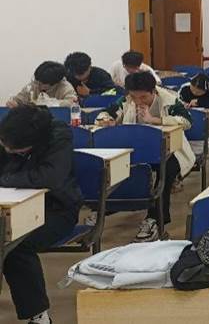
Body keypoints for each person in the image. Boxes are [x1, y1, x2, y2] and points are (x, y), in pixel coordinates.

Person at [0, 105, 81, 324]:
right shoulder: (9, 133)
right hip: (11, 206)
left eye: (15, 150)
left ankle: (38, 316)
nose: (7, 151)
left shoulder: (58, 135)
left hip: (55, 209)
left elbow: (49, 177)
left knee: (15, 245)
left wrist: (5, 180)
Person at [95, 72, 194, 242]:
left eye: (143, 97)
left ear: (153, 91)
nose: (138, 101)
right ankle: (105, 208)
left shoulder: (169, 100)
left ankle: (155, 219)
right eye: (134, 97)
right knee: (113, 168)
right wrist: (107, 120)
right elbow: (106, 113)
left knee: (166, 172)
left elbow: (187, 121)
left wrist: (154, 119)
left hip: (170, 150)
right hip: (136, 149)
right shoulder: (127, 100)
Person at [178, 73, 209, 155]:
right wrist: (183, 104)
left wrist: (200, 102)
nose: (194, 93)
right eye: (192, 90)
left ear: (206, 90)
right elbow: (178, 100)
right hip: (190, 121)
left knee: (201, 141)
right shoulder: (185, 88)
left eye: (198, 92)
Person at [7, 61, 78, 108]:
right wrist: (14, 103)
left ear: (54, 83)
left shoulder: (65, 87)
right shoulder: (34, 84)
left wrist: (48, 103)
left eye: (42, 84)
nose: (38, 86)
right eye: (37, 82)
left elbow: (72, 103)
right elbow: (19, 99)